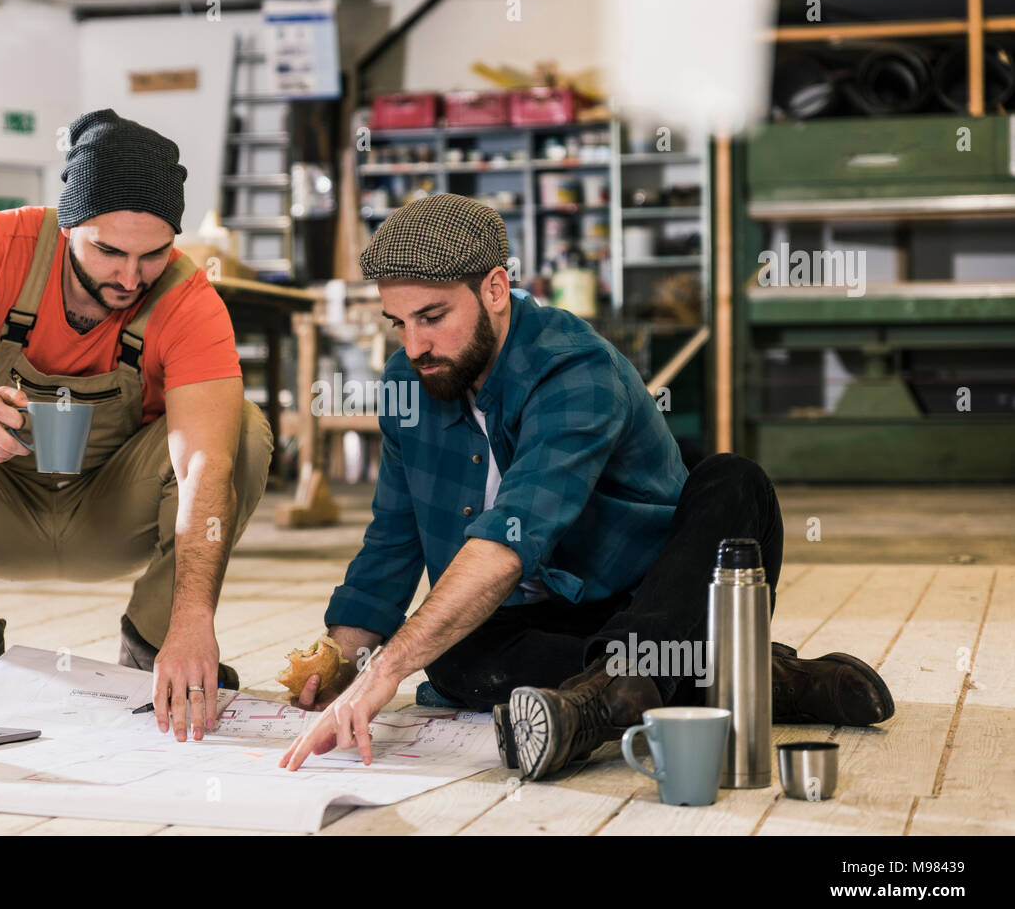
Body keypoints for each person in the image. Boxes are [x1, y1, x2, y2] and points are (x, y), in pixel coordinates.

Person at [279, 193, 892, 779]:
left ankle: (609, 698)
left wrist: (386, 671)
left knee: (735, 481)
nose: (415, 346)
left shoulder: (574, 368)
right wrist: (344, 661)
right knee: (448, 651)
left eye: (433, 318)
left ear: (495, 289)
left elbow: (511, 540)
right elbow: (391, 541)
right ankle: (744, 680)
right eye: (399, 323)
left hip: (650, 602)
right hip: (546, 618)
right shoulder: (408, 383)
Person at [0, 109, 273, 744]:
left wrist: (193, 619)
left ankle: (155, 644)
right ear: (67, 225)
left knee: (241, 434)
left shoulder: (189, 298)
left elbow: (204, 466)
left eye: (152, 254)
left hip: (111, 514)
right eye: (108, 251)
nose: (130, 277)